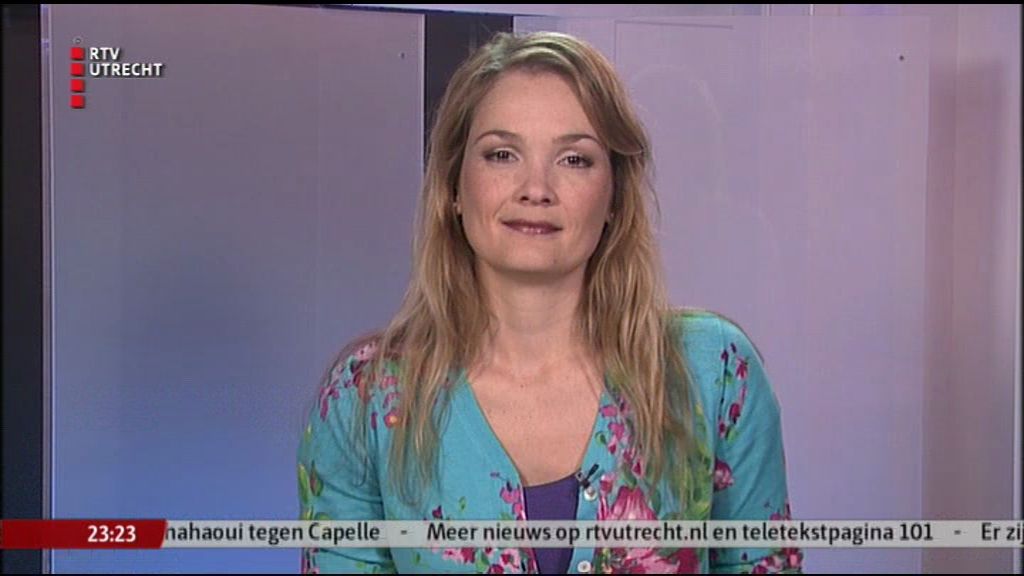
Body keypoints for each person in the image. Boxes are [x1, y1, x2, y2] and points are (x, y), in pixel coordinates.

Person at [298, 31, 801, 574]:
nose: (535, 188)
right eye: (502, 154)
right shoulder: (365, 400)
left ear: (615, 195)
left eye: (574, 160)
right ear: (454, 187)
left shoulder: (714, 373)